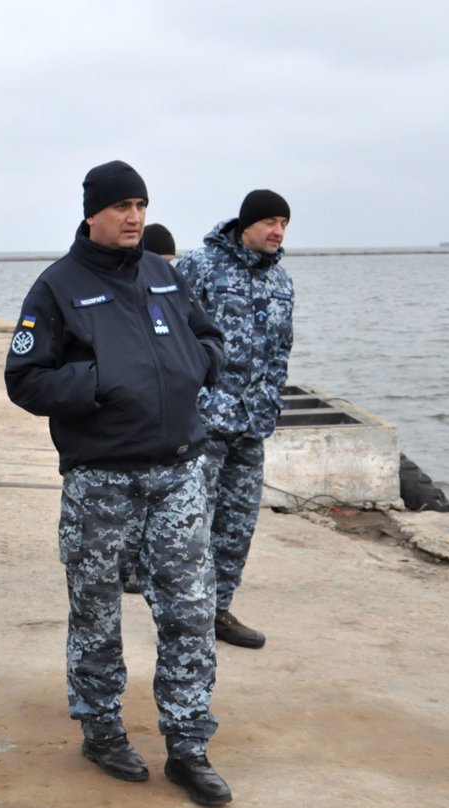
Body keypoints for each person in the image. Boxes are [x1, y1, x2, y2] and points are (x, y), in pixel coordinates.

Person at [5, 161, 232, 807]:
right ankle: (102, 728)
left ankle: (189, 745)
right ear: (92, 213)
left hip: (179, 475)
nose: (134, 216)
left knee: (189, 613)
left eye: (141, 204)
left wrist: (197, 364)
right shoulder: (57, 288)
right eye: (121, 206)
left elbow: (209, 337)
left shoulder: (164, 275)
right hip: (102, 481)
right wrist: (101, 380)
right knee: (98, 613)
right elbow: (24, 381)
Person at [174, 189, 294, 650]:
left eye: (283, 223)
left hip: (252, 425)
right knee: (189, 523)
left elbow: (281, 351)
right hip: (204, 422)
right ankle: (185, 613)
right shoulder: (200, 267)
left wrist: (272, 400)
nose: (277, 231)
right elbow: (168, 331)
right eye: (269, 222)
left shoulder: (281, 282)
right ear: (245, 225)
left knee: (238, 525)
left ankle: (218, 611)